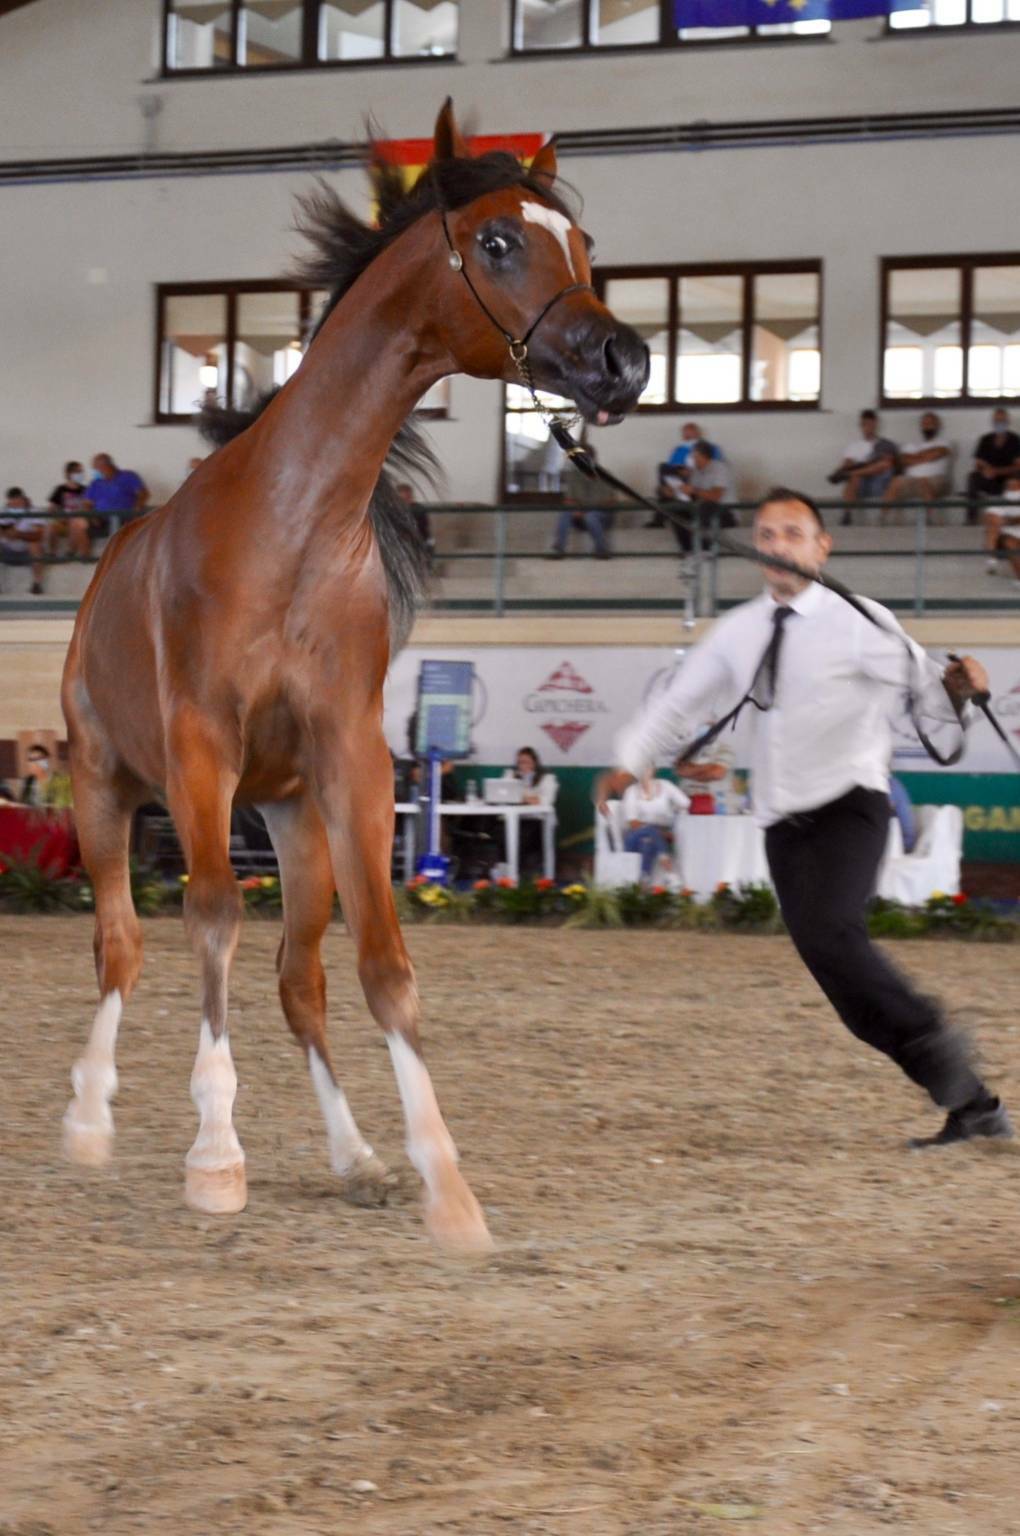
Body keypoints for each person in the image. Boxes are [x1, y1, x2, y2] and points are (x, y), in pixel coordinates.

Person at [597, 485, 1010, 1148]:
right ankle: (970, 1102)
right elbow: (677, 702)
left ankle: (937, 1034)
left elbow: (926, 693)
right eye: (766, 535)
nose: (777, 546)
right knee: (843, 987)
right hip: (782, 822)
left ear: (823, 547)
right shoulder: (739, 631)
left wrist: (957, 687)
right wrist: (629, 760)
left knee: (834, 936)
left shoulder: (863, 621)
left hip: (851, 804)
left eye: (793, 533)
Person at [826, 409, 898, 527]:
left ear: (876, 424)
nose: (868, 427)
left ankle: (854, 474)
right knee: (854, 477)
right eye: (865, 424)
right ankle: (847, 515)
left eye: (870, 423)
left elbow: (887, 464)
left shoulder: (886, 444)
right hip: (861, 484)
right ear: (861, 425)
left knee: (881, 465)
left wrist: (854, 472)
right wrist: (840, 471)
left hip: (880, 482)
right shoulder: (853, 446)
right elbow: (847, 464)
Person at [546, 442, 615, 560]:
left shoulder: (604, 475)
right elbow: (569, 499)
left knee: (591, 517)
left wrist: (586, 511)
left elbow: (609, 501)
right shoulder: (573, 476)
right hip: (580, 514)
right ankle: (558, 549)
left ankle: (601, 550)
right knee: (565, 514)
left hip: (601, 515)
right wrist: (577, 509)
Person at [881, 413, 952, 524]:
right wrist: (925, 456)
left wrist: (914, 458)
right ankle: (881, 519)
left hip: (936, 480)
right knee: (895, 482)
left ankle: (928, 521)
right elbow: (903, 460)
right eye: (924, 423)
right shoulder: (911, 444)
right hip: (911, 481)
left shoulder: (944, 442)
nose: (927, 426)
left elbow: (937, 454)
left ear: (937, 425)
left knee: (923, 482)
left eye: (930, 423)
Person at [650, 423, 722, 529]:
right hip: (681, 475)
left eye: (690, 436)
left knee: (668, 493)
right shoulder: (679, 450)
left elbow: (712, 466)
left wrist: (693, 470)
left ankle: (659, 519)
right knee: (662, 471)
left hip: (698, 475)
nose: (687, 438)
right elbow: (672, 466)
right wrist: (681, 470)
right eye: (685, 436)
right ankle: (666, 496)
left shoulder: (710, 448)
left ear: (698, 434)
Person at [621, 769, 689, 880]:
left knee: (647, 842)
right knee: (651, 832)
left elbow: (685, 803)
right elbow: (633, 824)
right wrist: (658, 831)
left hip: (658, 836)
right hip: (635, 836)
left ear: (652, 770)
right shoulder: (631, 791)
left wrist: (674, 812)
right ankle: (668, 868)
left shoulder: (665, 786)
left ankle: (644, 879)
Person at [967, 408, 1020, 525]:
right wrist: (986, 470)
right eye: (997, 420)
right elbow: (978, 463)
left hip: (1008, 478)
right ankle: (971, 519)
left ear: (1008, 421)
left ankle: (1013, 519)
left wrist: (998, 471)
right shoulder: (985, 439)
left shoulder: (1015, 440)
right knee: (972, 477)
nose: (1000, 423)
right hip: (989, 479)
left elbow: (1018, 466)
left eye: (1002, 420)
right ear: (993, 422)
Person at [82, 453, 149, 533]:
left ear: (106, 466)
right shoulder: (95, 483)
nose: (95, 471)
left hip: (125, 519)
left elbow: (143, 494)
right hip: (102, 520)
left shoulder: (128, 476)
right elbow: (87, 504)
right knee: (77, 525)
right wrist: (93, 517)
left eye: (96, 468)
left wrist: (136, 510)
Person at [0, 487, 46, 594]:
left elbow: (38, 534)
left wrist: (18, 534)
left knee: (35, 545)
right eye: (12, 500)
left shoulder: (33, 511)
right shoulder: (3, 512)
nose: (15, 503)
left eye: (18, 500)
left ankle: (37, 583)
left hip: (26, 550)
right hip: (7, 550)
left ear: (23, 499)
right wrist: (7, 533)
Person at [47, 460, 93, 559]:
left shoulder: (86, 490)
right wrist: (59, 517)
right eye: (78, 471)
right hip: (63, 521)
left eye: (81, 472)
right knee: (51, 527)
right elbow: (51, 508)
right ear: (69, 473)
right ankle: (51, 553)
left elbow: (89, 507)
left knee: (75, 522)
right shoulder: (60, 489)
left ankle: (71, 551)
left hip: (79, 521)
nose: (81, 474)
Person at [982, 471, 1020, 579]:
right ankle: (992, 561)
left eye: (1016, 486)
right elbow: (994, 520)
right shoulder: (999, 502)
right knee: (1009, 542)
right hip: (1007, 537)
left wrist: (1010, 520)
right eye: (1010, 486)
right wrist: (1012, 520)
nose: (1013, 488)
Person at [395, 481, 434, 558]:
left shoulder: (417, 510)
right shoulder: (396, 510)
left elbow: (424, 530)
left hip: (416, 547)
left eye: (404, 499)